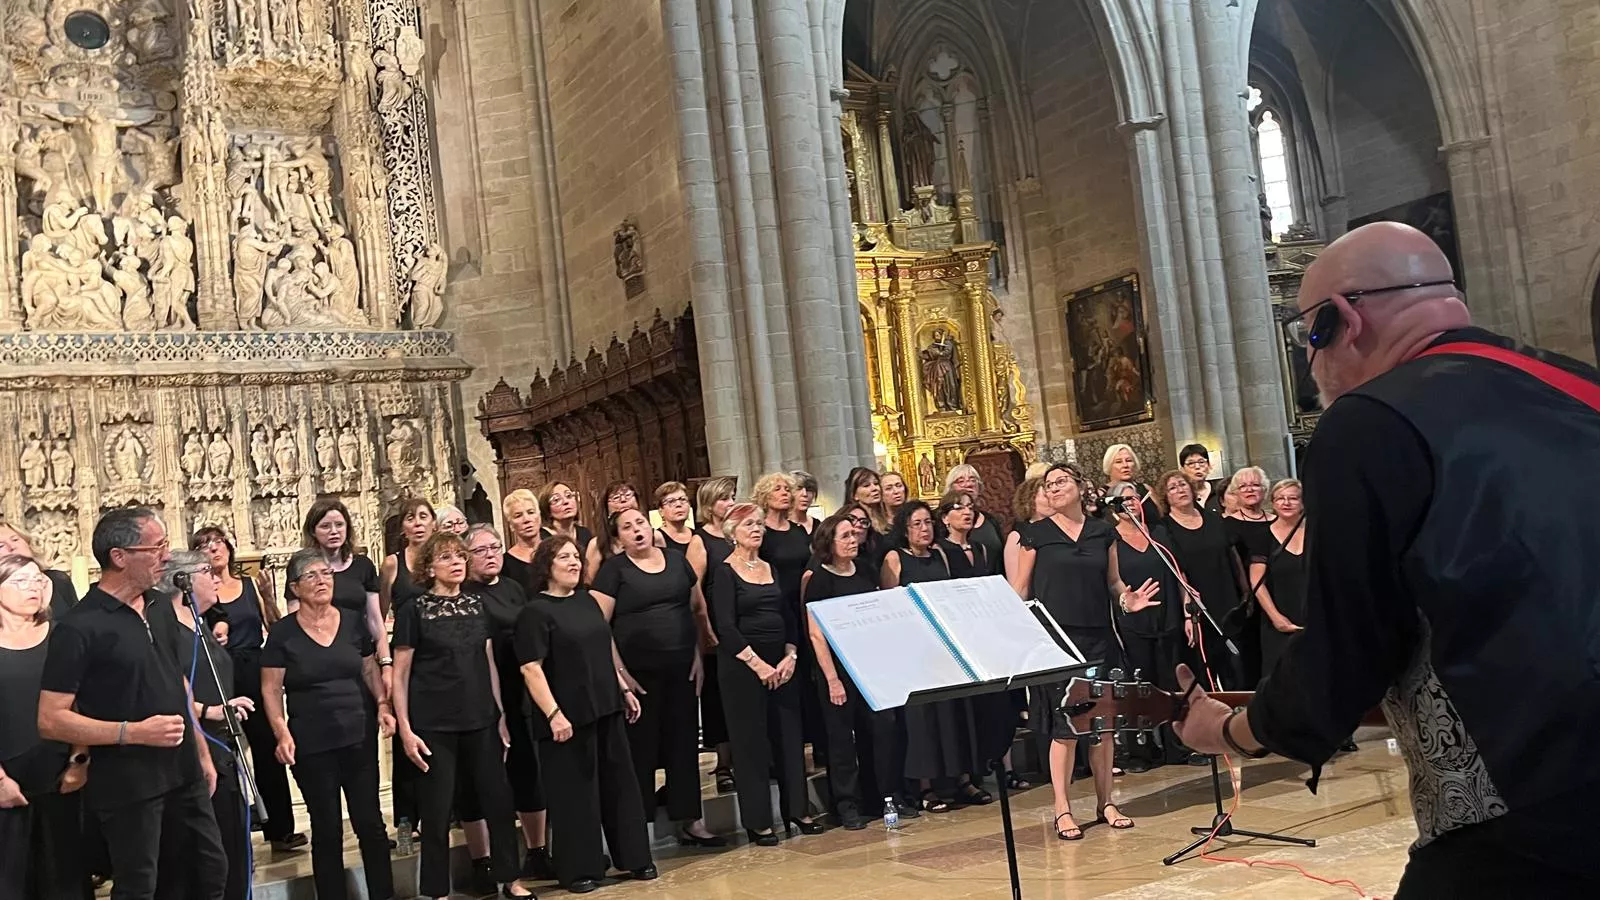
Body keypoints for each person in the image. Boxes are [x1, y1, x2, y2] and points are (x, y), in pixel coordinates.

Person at [1173, 221, 1600, 896]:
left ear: (1342, 320)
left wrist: (1230, 730)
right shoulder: (1578, 383)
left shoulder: (1370, 422)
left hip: (1528, 798)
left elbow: (1349, 648)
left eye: (1306, 339)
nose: (1311, 369)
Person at [38, 508, 226, 900]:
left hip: (184, 770)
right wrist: (133, 733)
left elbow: (178, 683)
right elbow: (51, 719)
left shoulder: (159, 606)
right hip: (129, 783)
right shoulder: (79, 627)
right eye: (155, 547)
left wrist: (202, 751)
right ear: (119, 556)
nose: (165, 555)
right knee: (141, 886)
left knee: (209, 871)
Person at [1008, 466, 1158, 840]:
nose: (1054, 488)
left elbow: (1113, 583)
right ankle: (1062, 809)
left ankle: (1106, 801)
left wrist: (1128, 599)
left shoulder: (1101, 532)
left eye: (1061, 481)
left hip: (1098, 639)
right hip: (1055, 642)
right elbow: (1019, 590)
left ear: (1080, 487)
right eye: (1048, 484)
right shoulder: (1035, 535)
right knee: (1067, 728)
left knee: (1102, 725)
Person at [392, 533, 533, 900]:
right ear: (429, 566)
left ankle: (511, 879)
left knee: (499, 802)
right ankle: (437, 891)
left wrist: (500, 714)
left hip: (481, 717)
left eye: (459, 555)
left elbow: (488, 663)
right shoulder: (415, 609)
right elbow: (401, 673)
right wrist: (405, 729)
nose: (456, 562)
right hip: (434, 723)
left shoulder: (476, 604)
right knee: (437, 811)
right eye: (446, 557)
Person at [516, 535, 656, 892]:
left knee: (620, 787)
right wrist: (553, 714)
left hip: (606, 705)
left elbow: (603, 649)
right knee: (574, 795)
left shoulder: (587, 602)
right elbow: (531, 668)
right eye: (565, 557)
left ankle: (635, 858)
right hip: (566, 716)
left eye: (576, 557)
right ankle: (581, 869)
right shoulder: (535, 612)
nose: (575, 563)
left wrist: (623, 689)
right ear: (547, 566)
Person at [261, 549, 396, 900]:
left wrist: (382, 705)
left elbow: (368, 669)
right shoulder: (282, 633)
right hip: (311, 743)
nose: (322, 581)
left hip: (358, 735)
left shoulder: (352, 620)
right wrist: (281, 731)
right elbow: (271, 688)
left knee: (370, 824)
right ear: (294, 587)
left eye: (326, 574)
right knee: (327, 829)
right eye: (312, 576)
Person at [591, 509, 720, 846]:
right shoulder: (613, 570)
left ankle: (691, 820)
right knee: (641, 750)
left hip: (682, 668)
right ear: (618, 538)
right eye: (627, 528)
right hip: (638, 676)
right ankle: (639, 829)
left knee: (683, 745)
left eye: (639, 524)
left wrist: (697, 655)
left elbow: (694, 609)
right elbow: (598, 626)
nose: (636, 530)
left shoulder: (677, 561)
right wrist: (620, 673)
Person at [191, 527, 303, 853]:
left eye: (218, 542)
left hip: (254, 667)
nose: (213, 549)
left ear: (229, 546)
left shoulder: (250, 584)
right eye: (204, 545)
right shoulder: (200, 592)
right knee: (225, 749)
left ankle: (280, 829)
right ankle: (232, 827)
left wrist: (268, 596)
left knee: (267, 746)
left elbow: (276, 626)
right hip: (219, 670)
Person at [152, 552, 257, 900]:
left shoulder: (202, 624)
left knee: (235, 849)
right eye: (207, 572)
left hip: (227, 746)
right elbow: (162, 688)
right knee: (207, 857)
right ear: (182, 581)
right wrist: (207, 710)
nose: (216, 578)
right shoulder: (166, 628)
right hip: (197, 745)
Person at [713, 502, 816, 843]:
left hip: (781, 666)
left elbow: (788, 615)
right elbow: (725, 627)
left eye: (759, 524)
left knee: (790, 738)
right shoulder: (724, 572)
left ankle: (798, 810)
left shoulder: (769, 567)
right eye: (748, 525)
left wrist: (790, 654)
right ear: (732, 534)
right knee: (751, 744)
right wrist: (758, 665)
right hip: (744, 668)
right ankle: (758, 821)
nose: (756, 529)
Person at [802, 512, 908, 829]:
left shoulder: (864, 569)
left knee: (875, 731)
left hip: (868, 665)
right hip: (836, 669)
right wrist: (833, 679)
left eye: (854, 534)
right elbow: (815, 633)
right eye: (845, 536)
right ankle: (846, 804)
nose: (853, 540)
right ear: (829, 543)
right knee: (841, 740)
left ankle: (878, 797)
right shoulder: (819, 578)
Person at [0, 554, 91, 900]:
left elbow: (82, 701)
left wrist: (79, 762)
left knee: (65, 878)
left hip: (59, 773)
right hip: (5, 777)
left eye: (38, 580)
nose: (33, 588)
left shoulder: (63, 636)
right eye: (20, 581)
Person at [468, 524, 552, 879]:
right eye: (482, 550)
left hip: (520, 690)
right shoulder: (465, 595)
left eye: (495, 547)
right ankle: (485, 861)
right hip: (481, 694)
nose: (491, 555)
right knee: (484, 780)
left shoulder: (515, 588)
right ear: (467, 558)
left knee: (528, 771)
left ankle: (537, 851)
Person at [1102, 483, 1188, 770]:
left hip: (1169, 617)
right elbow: (1111, 582)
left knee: (1171, 684)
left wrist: (1188, 614)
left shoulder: (1159, 533)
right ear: (1115, 506)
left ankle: (1176, 747)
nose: (1132, 503)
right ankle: (1142, 751)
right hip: (1134, 622)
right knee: (1139, 686)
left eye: (1135, 498)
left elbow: (1178, 573)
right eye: (1125, 499)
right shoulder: (1110, 538)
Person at [1152, 469, 1246, 690]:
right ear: (1166, 497)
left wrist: (1245, 592)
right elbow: (1176, 573)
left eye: (1183, 484)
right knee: (1206, 670)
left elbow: (1231, 555)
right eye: (1172, 487)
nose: (1179, 490)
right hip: (1197, 608)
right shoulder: (1164, 529)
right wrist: (1188, 614)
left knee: (1236, 666)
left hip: (1227, 600)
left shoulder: (1213, 519)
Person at [379, 497, 436, 830]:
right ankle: (405, 817)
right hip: (404, 654)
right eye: (411, 518)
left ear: (433, 523)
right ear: (402, 527)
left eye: (423, 517)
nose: (417, 523)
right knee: (406, 731)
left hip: (437, 655)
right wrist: (384, 660)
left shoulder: (443, 559)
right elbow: (381, 612)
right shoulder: (392, 564)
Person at [686, 475, 737, 792]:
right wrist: (705, 627)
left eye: (732, 497)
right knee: (719, 696)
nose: (730, 503)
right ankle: (723, 763)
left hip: (741, 624)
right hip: (717, 627)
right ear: (708, 504)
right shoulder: (700, 540)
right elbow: (695, 589)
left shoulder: (737, 535)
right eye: (724, 499)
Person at [1245, 479, 1307, 679]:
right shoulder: (1262, 534)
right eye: (1280, 498)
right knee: (1282, 682)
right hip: (1278, 620)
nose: (1286, 503)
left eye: (1293, 498)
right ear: (1272, 503)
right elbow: (1257, 581)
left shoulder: (1316, 533)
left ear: (1303, 503)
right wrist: (1276, 617)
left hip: (1314, 616)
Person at [0, 519, 80, 620]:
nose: (11, 547)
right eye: (1, 546)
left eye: (15, 539)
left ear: (28, 543)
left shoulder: (59, 580)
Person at [945, 464, 1004, 573]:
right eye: (960, 481)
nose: (968, 484)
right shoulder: (941, 519)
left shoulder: (990, 520)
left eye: (973, 480)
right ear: (950, 488)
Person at [844, 467, 892, 573]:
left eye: (876, 483)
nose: (874, 488)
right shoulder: (850, 523)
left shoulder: (886, 520)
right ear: (854, 495)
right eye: (866, 485)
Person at [501, 488, 544, 596]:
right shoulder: (504, 564)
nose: (526, 519)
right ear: (511, 525)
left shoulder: (556, 552)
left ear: (539, 517)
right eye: (518, 515)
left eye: (531, 512)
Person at [1178, 444, 1226, 512]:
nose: (1197, 467)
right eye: (1191, 463)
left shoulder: (1220, 490)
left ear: (1209, 466)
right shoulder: (1181, 494)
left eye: (1201, 462)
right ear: (1182, 469)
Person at [654, 481, 696, 554]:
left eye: (683, 499)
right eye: (671, 501)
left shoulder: (698, 536)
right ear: (661, 511)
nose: (678, 504)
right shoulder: (656, 538)